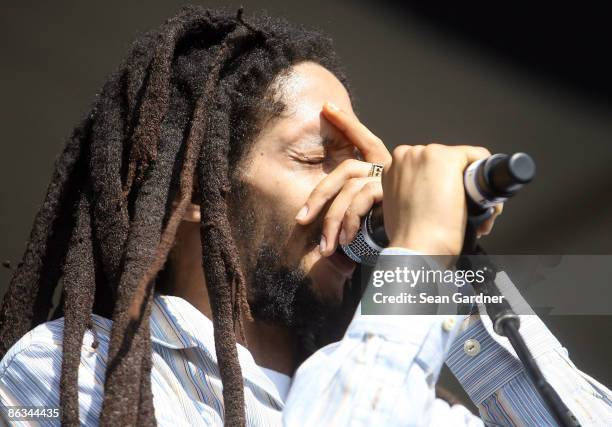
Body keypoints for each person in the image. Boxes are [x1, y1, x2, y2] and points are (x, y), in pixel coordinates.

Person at [0, 6, 610, 426]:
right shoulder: (68, 372)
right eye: (317, 157)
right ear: (192, 192)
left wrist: (444, 270)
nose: (359, 184)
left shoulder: (408, 387)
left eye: (368, 166)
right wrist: (420, 245)